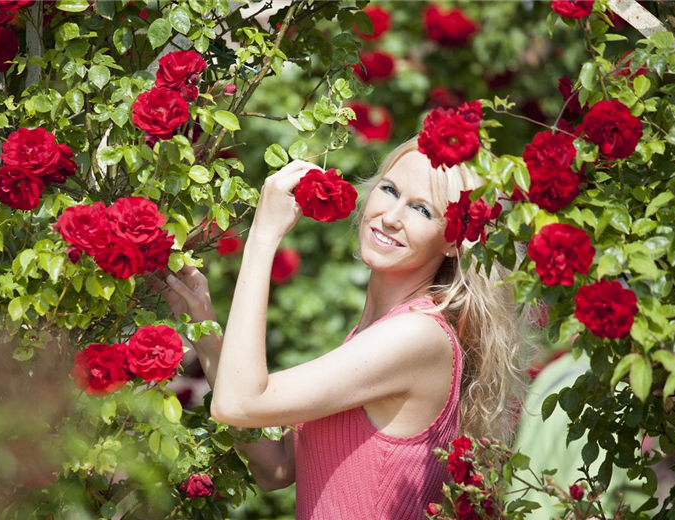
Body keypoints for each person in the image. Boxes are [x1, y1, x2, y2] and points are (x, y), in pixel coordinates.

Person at [152, 136, 536, 519]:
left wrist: (264, 235)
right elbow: (277, 466)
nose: (391, 216)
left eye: (421, 209)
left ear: (454, 241)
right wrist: (202, 322)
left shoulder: (417, 334)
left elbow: (239, 402)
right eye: (389, 189)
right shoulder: (378, 330)